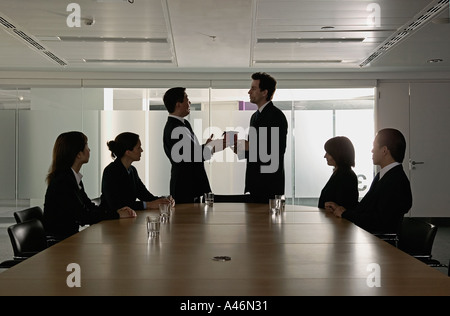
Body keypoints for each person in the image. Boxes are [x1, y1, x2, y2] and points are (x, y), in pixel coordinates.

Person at [43, 131, 136, 243]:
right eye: (86, 146)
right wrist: (116, 214)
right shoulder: (63, 181)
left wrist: (117, 211)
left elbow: (89, 207)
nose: (89, 150)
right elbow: (83, 216)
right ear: (78, 154)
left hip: (70, 239)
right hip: (59, 244)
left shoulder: (73, 178)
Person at [325, 128, 412, 235]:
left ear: (384, 150)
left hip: (380, 244)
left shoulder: (395, 182)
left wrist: (346, 214)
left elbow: (379, 222)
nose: (372, 150)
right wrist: (341, 209)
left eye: (374, 146)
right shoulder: (385, 176)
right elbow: (367, 208)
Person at [162, 87, 225, 203]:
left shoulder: (183, 124)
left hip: (191, 186)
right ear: (178, 104)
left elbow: (191, 153)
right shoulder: (174, 128)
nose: (189, 102)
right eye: (187, 99)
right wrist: (212, 147)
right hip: (184, 187)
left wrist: (207, 146)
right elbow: (189, 157)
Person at [235, 72, 288, 203]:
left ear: (264, 92)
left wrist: (248, 146)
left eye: (253, 88)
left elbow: (277, 150)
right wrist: (239, 149)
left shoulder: (276, 116)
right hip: (255, 184)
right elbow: (253, 152)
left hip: (269, 185)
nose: (249, 92)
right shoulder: (255, 116)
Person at [100, 132, 174, 211]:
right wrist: (149, 205)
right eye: (138, 148)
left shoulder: (132, 171)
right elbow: (117, 204)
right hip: (110, 220)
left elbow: (145, 196)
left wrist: (165, 200)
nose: (141, 150)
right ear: (128, 152)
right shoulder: (111, 171)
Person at [318, 136, 359, 210]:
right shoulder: (339, 173)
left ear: (337, 154)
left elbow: (346, 206)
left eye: (328, 153)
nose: (325, 156)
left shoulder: (346, 176)